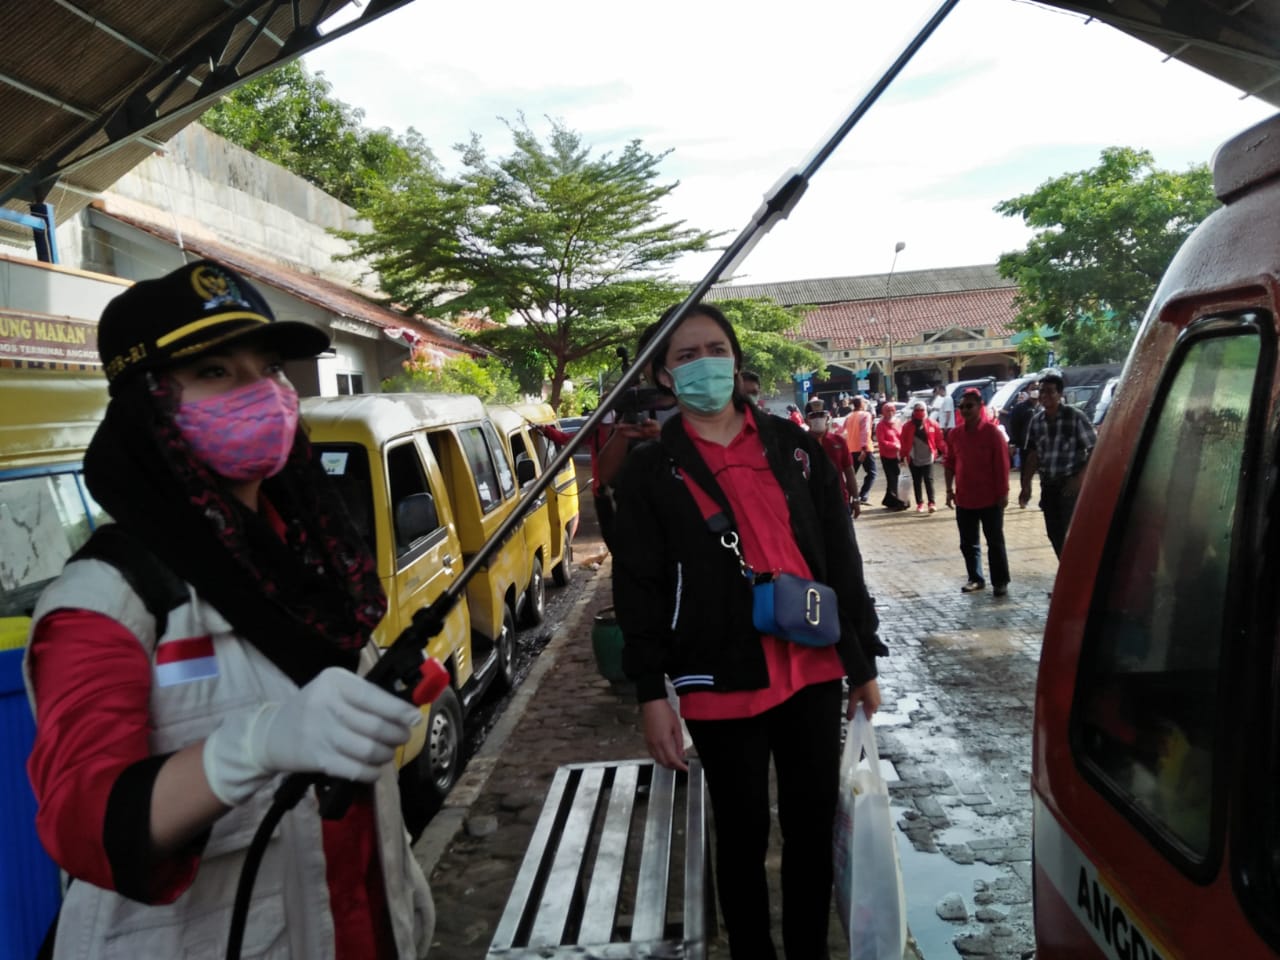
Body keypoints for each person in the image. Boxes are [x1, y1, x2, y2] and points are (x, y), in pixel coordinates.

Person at [24, 260, 434, 959]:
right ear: (149, 406)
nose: (263, 395)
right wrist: (251, 747)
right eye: (215, 372)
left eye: (269, 368)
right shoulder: (104, 603)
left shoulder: (318, 565)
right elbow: (81, 822)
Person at [611, 302, 884, 960]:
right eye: (685, 356)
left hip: (812, 665)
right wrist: (652, 691)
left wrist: (862, 660)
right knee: (740, 835)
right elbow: (638, 588)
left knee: (812, 828)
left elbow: (839, 559)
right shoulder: (650, 473)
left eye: (714, 348)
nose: (704, 363)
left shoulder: (796, 450)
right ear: (664, 377)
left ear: (735, 359)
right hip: (718, 674)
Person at [1019, 372, 1098, 556]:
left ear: (1060, 394)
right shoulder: (1037, 421)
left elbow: (1095, 449)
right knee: (1055, 534)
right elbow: (1033, 455)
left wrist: (1079, 479)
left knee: (1074, 536)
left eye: (1049, 392)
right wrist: (1026, 485)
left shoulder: (1075, 416)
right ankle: (1068, 575)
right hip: (1049, 487)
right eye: (1041, 392)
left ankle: (1078, 576)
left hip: (1070, 486)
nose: (1044, 396)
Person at [944, 388, 1011, 596]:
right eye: (962, 407)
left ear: (979, 407)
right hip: (964, 498)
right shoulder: (955, 434)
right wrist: (948, 489)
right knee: (968, 543)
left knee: (995, 541)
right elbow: (949, 464)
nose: (965, 410)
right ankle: (975, 578)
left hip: (990, 498)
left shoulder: (992, 434)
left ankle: (1000, 581)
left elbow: (1002, 465)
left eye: (969, 406)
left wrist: (1003, 493)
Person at [807, 407, 860, 519]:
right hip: (811, 503)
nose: (818, 419)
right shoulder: (800, 442)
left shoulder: (838, 441)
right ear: (806, 419)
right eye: (814, 416)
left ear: (827, 417)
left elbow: (849, 472)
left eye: (821, 415)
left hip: (839, 500)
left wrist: (856, 498)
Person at [900, 400, 946, 513]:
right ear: (913, 412)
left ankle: (932, 502)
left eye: (922, 410)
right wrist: (902, 457)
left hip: (928, 457)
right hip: (914, 457)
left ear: (926, 411)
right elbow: (904, 443)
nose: (920, 412)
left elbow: (939, 440)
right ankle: (919, 503)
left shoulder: (932, 424)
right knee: (917, 481)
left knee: (929, 480)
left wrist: (946, 452)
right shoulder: (907, 426)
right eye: (917, 410)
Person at [874, 402, 909, 510]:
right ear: (883, 412)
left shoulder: (898, 422)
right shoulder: (880, 425)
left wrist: (904, 447)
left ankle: (892, 500)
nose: (889, 413)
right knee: (892, 479)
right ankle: (898, 501)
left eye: (891, 410)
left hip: (899, 456)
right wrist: (895, 445)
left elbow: (903, 436)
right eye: (887, 411)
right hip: (887, 456)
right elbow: (881, 441)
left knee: (901, 479)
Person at [844, 396, 877, 504]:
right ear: (862, 404)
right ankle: (863, 496)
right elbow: (865, 431)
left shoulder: (849, 416)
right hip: (864, 448)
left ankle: (846, 496)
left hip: (851, 448)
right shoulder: (865, 415)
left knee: (851, 475)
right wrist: (864, 449)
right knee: (872, 473)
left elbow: (843, 432)